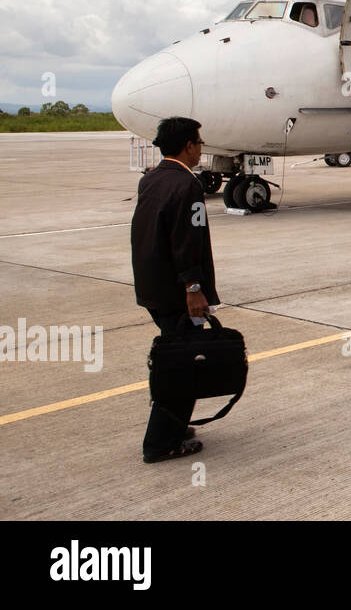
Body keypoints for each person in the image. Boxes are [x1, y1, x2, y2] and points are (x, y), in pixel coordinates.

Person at [130, 116, 217, 463]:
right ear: (188, 146)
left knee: (172, 357)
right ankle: (162, 441)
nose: (200, 149)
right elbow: (187, 240)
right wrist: (194, 288)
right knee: (182, 365)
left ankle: (175, 423)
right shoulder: (187, 186)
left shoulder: (151, 180)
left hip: (153, 287)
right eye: (198, 142)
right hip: (178, 292)